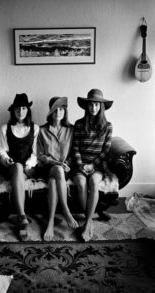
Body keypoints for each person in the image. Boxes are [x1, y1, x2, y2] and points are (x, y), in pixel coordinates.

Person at [0, 93, 39, 238]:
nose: (21, 112)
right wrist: (6, 159)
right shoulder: (5, 128)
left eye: (24, 109)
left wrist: (29, 164)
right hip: (11, 166)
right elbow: (2, 149)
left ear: (28, 110)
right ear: (13, 111)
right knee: (17, 168)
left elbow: (35, 152)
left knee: (21, 168)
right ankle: (22, 215)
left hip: (29, 168)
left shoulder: (35, 128)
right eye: (18, 109)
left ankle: (21, 218)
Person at [72, 89, 113, 242]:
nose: (93, 108)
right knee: (82, 184)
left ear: (101, 106)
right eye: (91, 105)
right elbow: (75, 147)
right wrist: (82, 165)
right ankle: (89, 219)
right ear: (86, 106)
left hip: (97, 165)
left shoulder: (108, 126)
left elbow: (106, 151)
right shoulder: (79, 124)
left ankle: (88, 223)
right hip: (80, 164)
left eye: (96, 105)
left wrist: (93, 165)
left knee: (94, 183)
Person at [37, 96, 79, 241]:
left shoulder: (71, 130)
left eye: (61, 109)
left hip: (65, 170)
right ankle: (66, 211)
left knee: (54, 182)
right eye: (55, 109)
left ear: (65, 111)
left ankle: (50, 223)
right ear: (50, 111)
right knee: (57, 170)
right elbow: (40, 155)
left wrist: (67, 163)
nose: (58, 112)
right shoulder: (41, 130)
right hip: (46, 168)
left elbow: (75, 152)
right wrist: (56, 163)